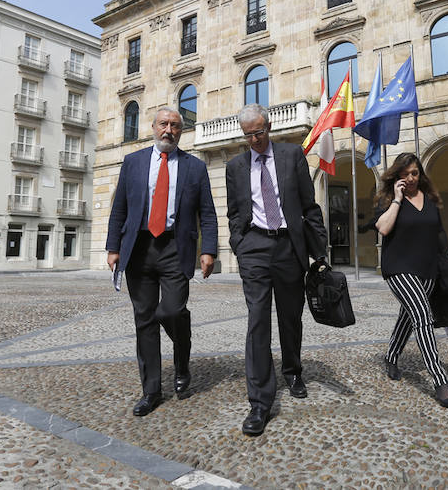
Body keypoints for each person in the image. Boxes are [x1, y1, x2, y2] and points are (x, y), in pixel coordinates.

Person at [106, 107, 218, 416]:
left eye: (175, 126)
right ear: (153, 127)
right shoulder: (133, 162)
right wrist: (113, 247)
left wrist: (208, 249)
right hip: (139, 247)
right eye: (164, 124)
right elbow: (120, 208)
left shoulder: (195, 167)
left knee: (171, 311)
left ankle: (182, 359)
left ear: (181, 131)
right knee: (144, 320)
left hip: (175, 248)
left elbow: (207, 212)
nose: (169, 130)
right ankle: (151, 391)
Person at [225, 104, 328, 436]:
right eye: (248, 135)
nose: (254, 139)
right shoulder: (236, 166)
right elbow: (234, 211)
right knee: (257, 320)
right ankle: (260, 402)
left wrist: (319, 252)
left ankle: (293, 370)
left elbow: (310, 205)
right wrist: (239, 244)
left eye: (259, 132)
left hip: (288, 247)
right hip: (254, 247)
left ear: (268, 127)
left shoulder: (291, 155)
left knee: (290, 316)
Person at [374, 152, 448, 409]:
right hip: (398, 268)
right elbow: (384, 229)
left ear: (420, 174)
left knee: (408, 317)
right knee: (422, 317)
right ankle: (440, 380)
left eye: (415, 173)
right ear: (397, 175)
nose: (410, 178)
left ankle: (391, 356)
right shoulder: (388, 199)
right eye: (405, 173)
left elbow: (440, 234)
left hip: (428, 269)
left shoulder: (430, 199)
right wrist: (398, 199)